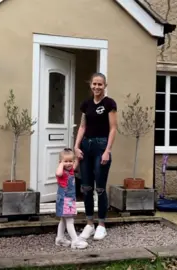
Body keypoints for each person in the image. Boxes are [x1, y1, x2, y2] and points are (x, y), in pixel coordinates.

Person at [74, 72, 117, 241]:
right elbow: (82, 127)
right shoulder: (86, 104)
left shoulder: (109, 104)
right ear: (90, 85)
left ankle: (101, 225)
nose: (97, 87)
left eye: (100, 84)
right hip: (86, 146)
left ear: (105, 86)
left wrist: (107, 150)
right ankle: (89, 224)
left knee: (100, 187)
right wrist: (77, 147)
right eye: (94, 84)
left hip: (101, 146)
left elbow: (113, 128)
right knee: (86, 187)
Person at [55, 148, 88, 249]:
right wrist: (61, 164)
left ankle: (60, 238)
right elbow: (58, 173)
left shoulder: (71, 170)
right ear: (61, 162)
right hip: (65, 200)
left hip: (69, 199)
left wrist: (77, 159)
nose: (68, 164)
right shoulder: (62, 171)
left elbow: (74, 165)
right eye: (66, 161)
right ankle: (75, 241)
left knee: (63, 220)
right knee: (70, 220)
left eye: (70, 161)